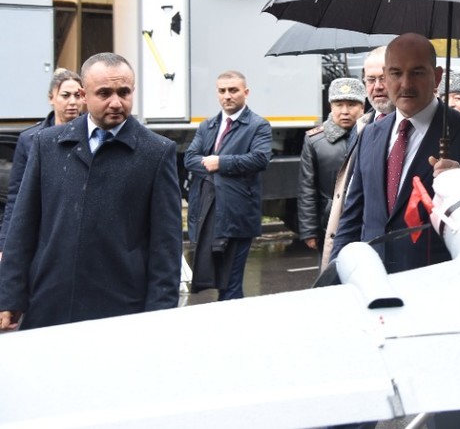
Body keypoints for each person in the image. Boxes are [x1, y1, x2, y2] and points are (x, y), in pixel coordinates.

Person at [0, 53, 181, 330]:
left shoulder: (156, 152)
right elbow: (23, 226)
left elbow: (166, 246)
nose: (116, 102)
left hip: (120, 309)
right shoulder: (47, 144)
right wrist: (10, 296)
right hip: (49, 303)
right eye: (104, 93)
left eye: (124, 92)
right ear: (84, 95)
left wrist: (159, 315)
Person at [331, 33, 460, 274]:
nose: (405, 84)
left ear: (437, 77)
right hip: (373, 280)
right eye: (396, 73)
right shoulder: (370, 134)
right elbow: (351, 219)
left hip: (434, 282)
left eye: (417, 73)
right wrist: (335, 275)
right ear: (386, 76)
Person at [185, 70, 272, 300]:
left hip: (238, 214)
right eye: (222, 91)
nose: (227, 96)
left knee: (230, 284)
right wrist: (217, 168)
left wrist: (221, 163)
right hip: (209, 211)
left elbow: (260, 159)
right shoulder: (207, 125)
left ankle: (232, 321)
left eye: (233, 90)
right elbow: (190, 158)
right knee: (214, 279)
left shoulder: (258, 125)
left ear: (246, 92)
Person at [319, 47, 395, 272]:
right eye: (370, 80)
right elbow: (352, 199)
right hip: (359, 246)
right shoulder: (363, 126)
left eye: (384, 78)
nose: (377, 86)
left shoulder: (409, 128)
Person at [0, 69, 85, 256]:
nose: (73, 102)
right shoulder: (30, 139)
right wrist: (5, 245)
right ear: (51, 98)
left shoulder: (93, 136)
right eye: (65, 95)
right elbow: (16, 196)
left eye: (78, 96)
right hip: (43, 232)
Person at [297, 78, 365, 255]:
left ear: (362, 107)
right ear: (331, 107)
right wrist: (309, 230)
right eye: (339, 105)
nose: (345, 111)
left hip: (365, 219)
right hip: (328, 222)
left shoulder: (374, 134)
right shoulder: (315, 140)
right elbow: (307, 188)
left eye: (352, 104)